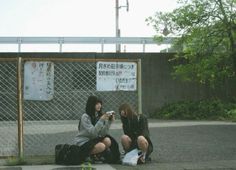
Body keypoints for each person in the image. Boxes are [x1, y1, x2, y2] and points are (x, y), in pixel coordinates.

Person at [74, 95, 120, 163]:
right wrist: (101, 120)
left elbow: (102, 134)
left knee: (107, 140)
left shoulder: (98, 116)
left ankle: (95, 156)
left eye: (100, 103)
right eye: (97, 104)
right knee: (101, 146)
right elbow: (93, 132)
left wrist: (109, 122)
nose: (99, 105)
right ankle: (85, 156)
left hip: (93, 140)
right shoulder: (85, 117)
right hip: (83, 142)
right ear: (91, 105)